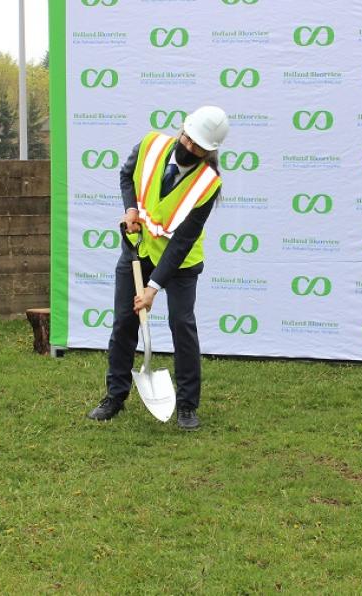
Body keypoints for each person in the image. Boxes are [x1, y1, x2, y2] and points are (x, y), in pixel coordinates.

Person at [87, 106, 229, 430]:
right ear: (183, 129)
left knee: (182, 325)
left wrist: (154, 287)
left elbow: (183, 241)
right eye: (188, 139)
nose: (190, 148)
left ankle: (188, 405)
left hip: (180, 262)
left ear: (210, 151)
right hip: (140, 247)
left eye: (199, 147)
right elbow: (126, 175)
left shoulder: (208, 184)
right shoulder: (151, 145)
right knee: (124, 320)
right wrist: (131, 209)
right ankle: (115, 396)